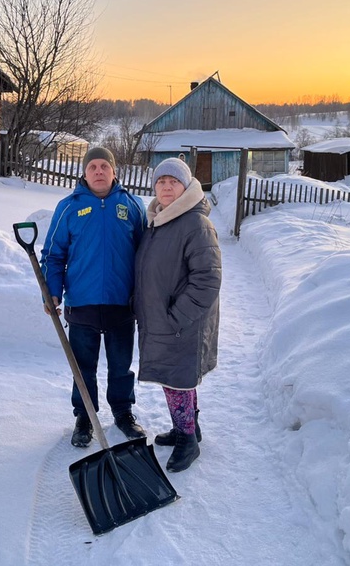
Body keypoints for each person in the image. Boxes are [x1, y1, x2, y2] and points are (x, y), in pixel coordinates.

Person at [41, 147, 148, 447]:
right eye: (93, 167)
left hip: (121, 303)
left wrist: (143, 295)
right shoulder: (69, 207)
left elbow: (145, 255)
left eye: (104, 166)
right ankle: (84, 417)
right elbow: (52, 254)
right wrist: (52, 291)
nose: (99, 171)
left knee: (121, 365)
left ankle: (123, 412)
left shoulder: (132, 206)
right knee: (83, 366)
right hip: (82, 302)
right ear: (84, 173)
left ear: (115, 172)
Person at [134, 157, 221, 472]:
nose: (166, 186)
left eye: (173, 181)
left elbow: (207, 280)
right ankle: (188, 427)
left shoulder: (195, 224)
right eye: (161, 181)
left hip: (181, 324)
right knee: (177, 380)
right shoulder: (160, 220)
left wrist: (176, 316)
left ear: (186, 186)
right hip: (165, 321)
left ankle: (187, 441)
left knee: (176, 382)